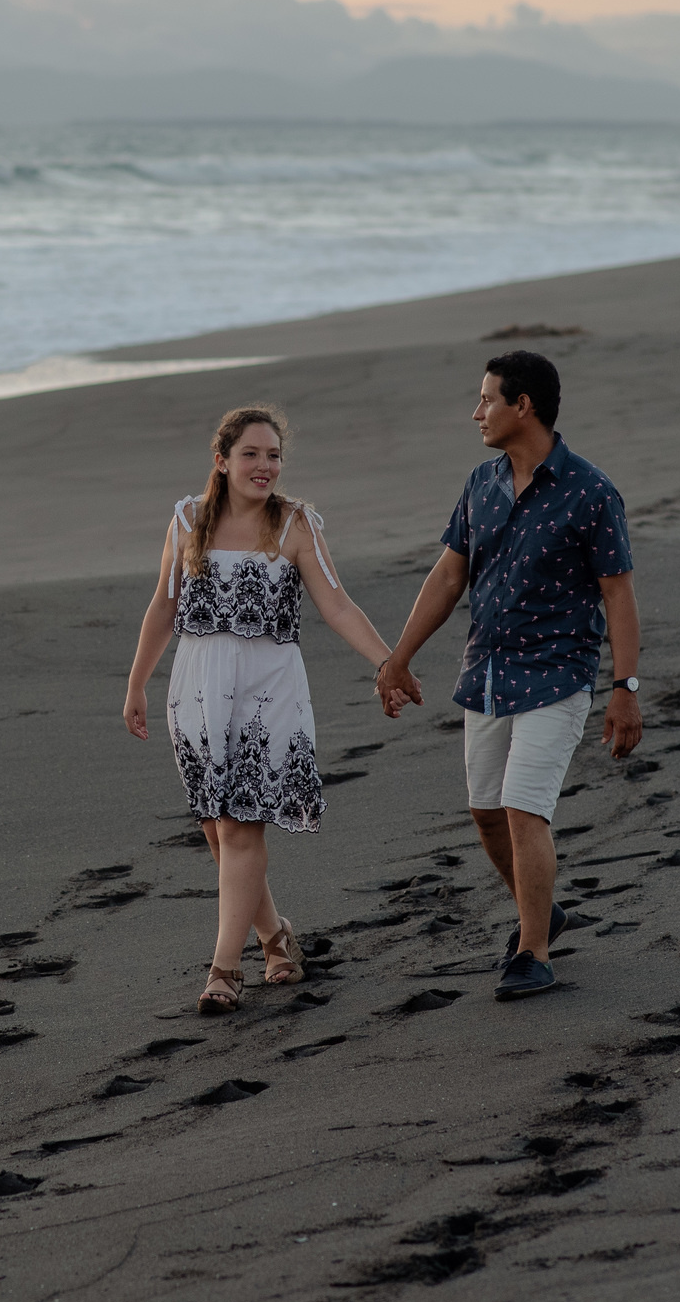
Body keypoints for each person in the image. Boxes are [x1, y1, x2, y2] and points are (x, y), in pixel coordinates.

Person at [374, 352, 643, 1001]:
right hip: (487, 673)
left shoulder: (590, 491)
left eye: (487, 399)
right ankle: (539, 907)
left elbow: (618, 593)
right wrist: (398, 657)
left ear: (524, 405)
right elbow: (447, 575)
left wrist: (624, 687)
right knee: (487, 812)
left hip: (558, 674)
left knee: (525, 808)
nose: (477, 412)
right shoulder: (482, 483)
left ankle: (533, 951)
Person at [124, 404, 400, 1015]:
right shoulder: (187, 521)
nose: (265, 465)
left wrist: (388, 663)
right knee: (219, 832)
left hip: (268, 688)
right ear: (221, 462)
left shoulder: (295, 523)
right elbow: (162, 609)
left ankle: (224, 971)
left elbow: (338, 606)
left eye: (273, 455)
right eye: (251, 454)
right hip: (196, 688)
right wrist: (137, 684)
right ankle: (276, 939)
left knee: (242, 827)